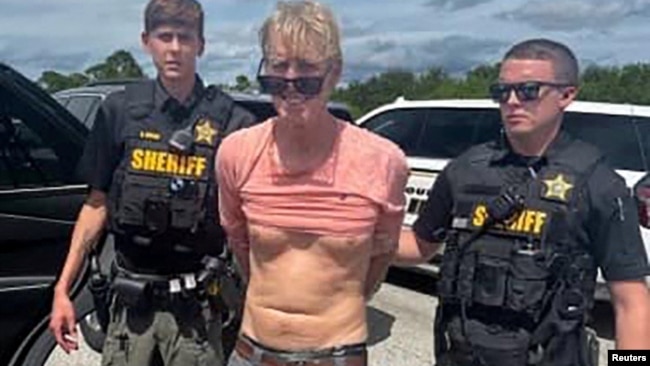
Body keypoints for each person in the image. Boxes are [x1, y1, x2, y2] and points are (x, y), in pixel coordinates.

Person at [396, 38, 650, 366]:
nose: (512, 101)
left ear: (567, 94)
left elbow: (632, 301)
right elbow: (419, 246)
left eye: (528, 90)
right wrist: (354, 231)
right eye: (502, 91)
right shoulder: (464, 170)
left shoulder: (599, 183)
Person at [48, 0, 256, 365]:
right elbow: (96, 205)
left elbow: (248, 223)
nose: (174, 48)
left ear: (201, 45)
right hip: (131, 310)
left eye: (185, 38)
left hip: (197, 311)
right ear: (147, 41)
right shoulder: (118, 111)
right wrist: (62, 290)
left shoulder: (233, 123)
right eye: (165, 37)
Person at [215, 1, 409, 365]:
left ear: (334, 72)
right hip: (252, 352)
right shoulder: (236, 153)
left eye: (306, 67)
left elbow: (381, 256)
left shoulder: (383, 161)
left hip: (337, 353)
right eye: (278, 66)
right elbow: (240, 245)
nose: (290, 81)